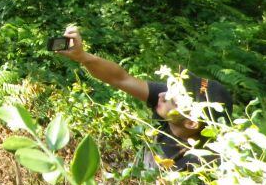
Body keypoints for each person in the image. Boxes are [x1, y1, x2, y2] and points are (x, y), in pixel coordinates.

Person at [57, 25, 233, 171]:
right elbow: (120, 79)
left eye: (172, 98)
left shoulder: (201, 167)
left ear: (191, 123)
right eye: (172, 89)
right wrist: (83, 57)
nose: (162, 95)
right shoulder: (174, 105)